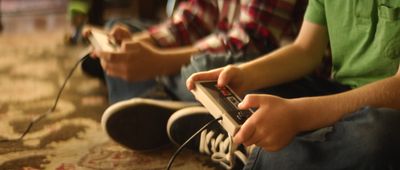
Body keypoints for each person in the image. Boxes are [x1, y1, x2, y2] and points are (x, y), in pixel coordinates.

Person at [166, 0, 400, 169]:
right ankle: (252, 138)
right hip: (336, 91)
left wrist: (298, 116)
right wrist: (245, 75)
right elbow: (305, 50)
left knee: (380, 136)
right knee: (208, 73)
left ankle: (248, 153)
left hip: (388, 108)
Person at [85, 0, 305, 152]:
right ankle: (170, 105)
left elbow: (252, 40)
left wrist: (157, 61)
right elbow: (194, 18)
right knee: (116, 26)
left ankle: (156, 98)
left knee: (199, 70)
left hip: (268, 65)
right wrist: (138, 45)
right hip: (220, 51)